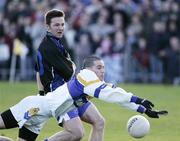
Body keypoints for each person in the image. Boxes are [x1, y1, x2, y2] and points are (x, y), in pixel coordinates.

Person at [0, 55, 168, 141]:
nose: (103, 71)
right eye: (99, 67)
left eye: (104, 68)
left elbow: (118, 95)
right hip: (33, 107)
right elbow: (111, 95)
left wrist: (143, 109)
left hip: (41, 117)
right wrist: (139, 99)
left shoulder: (94, 84)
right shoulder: (85, 76)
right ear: (88, 69)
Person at [35, 9, 105, 141]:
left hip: (71, 91)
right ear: (47, 27)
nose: (60, 28)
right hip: (61, 96)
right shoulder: (48, 47)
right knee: (76, 133)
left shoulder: (55, 42)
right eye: (56, 25)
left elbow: (38, 71)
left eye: (62, 24)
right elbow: (70, 72)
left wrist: (40, 93)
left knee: (99, 122)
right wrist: (88, 82)